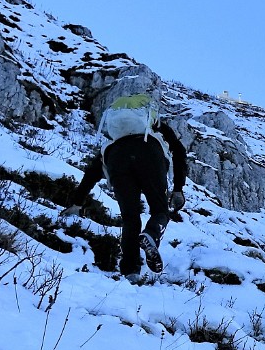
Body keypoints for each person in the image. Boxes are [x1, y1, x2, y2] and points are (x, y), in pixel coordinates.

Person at [64, 94, 188, 275]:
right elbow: (179, 153)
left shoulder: (114, 142)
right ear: (148, 114)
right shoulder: (158, 129)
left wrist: (77, 202)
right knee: (160, 211)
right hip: (150, 154)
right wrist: (178, 189)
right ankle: (151, 235)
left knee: (130, 219)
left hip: (116, 160)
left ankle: (131, 272)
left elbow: (92, 172)